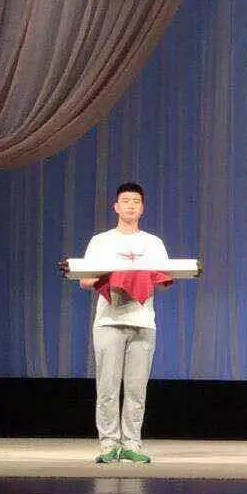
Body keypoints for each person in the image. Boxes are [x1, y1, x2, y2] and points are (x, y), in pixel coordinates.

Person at [80, 182, 169, 463]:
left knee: (136, 389)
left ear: (142, 208)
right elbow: (84, 280)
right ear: (116, 207)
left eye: (135, 201)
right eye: (126, 201)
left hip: (143, 322)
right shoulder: (101, 241)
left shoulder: (153, 243)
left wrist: (138, 278)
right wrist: (113, 277)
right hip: (108, 321)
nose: (130, 205)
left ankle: (132, 444)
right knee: (107, 387)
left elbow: (164, 279)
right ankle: (108, 444)